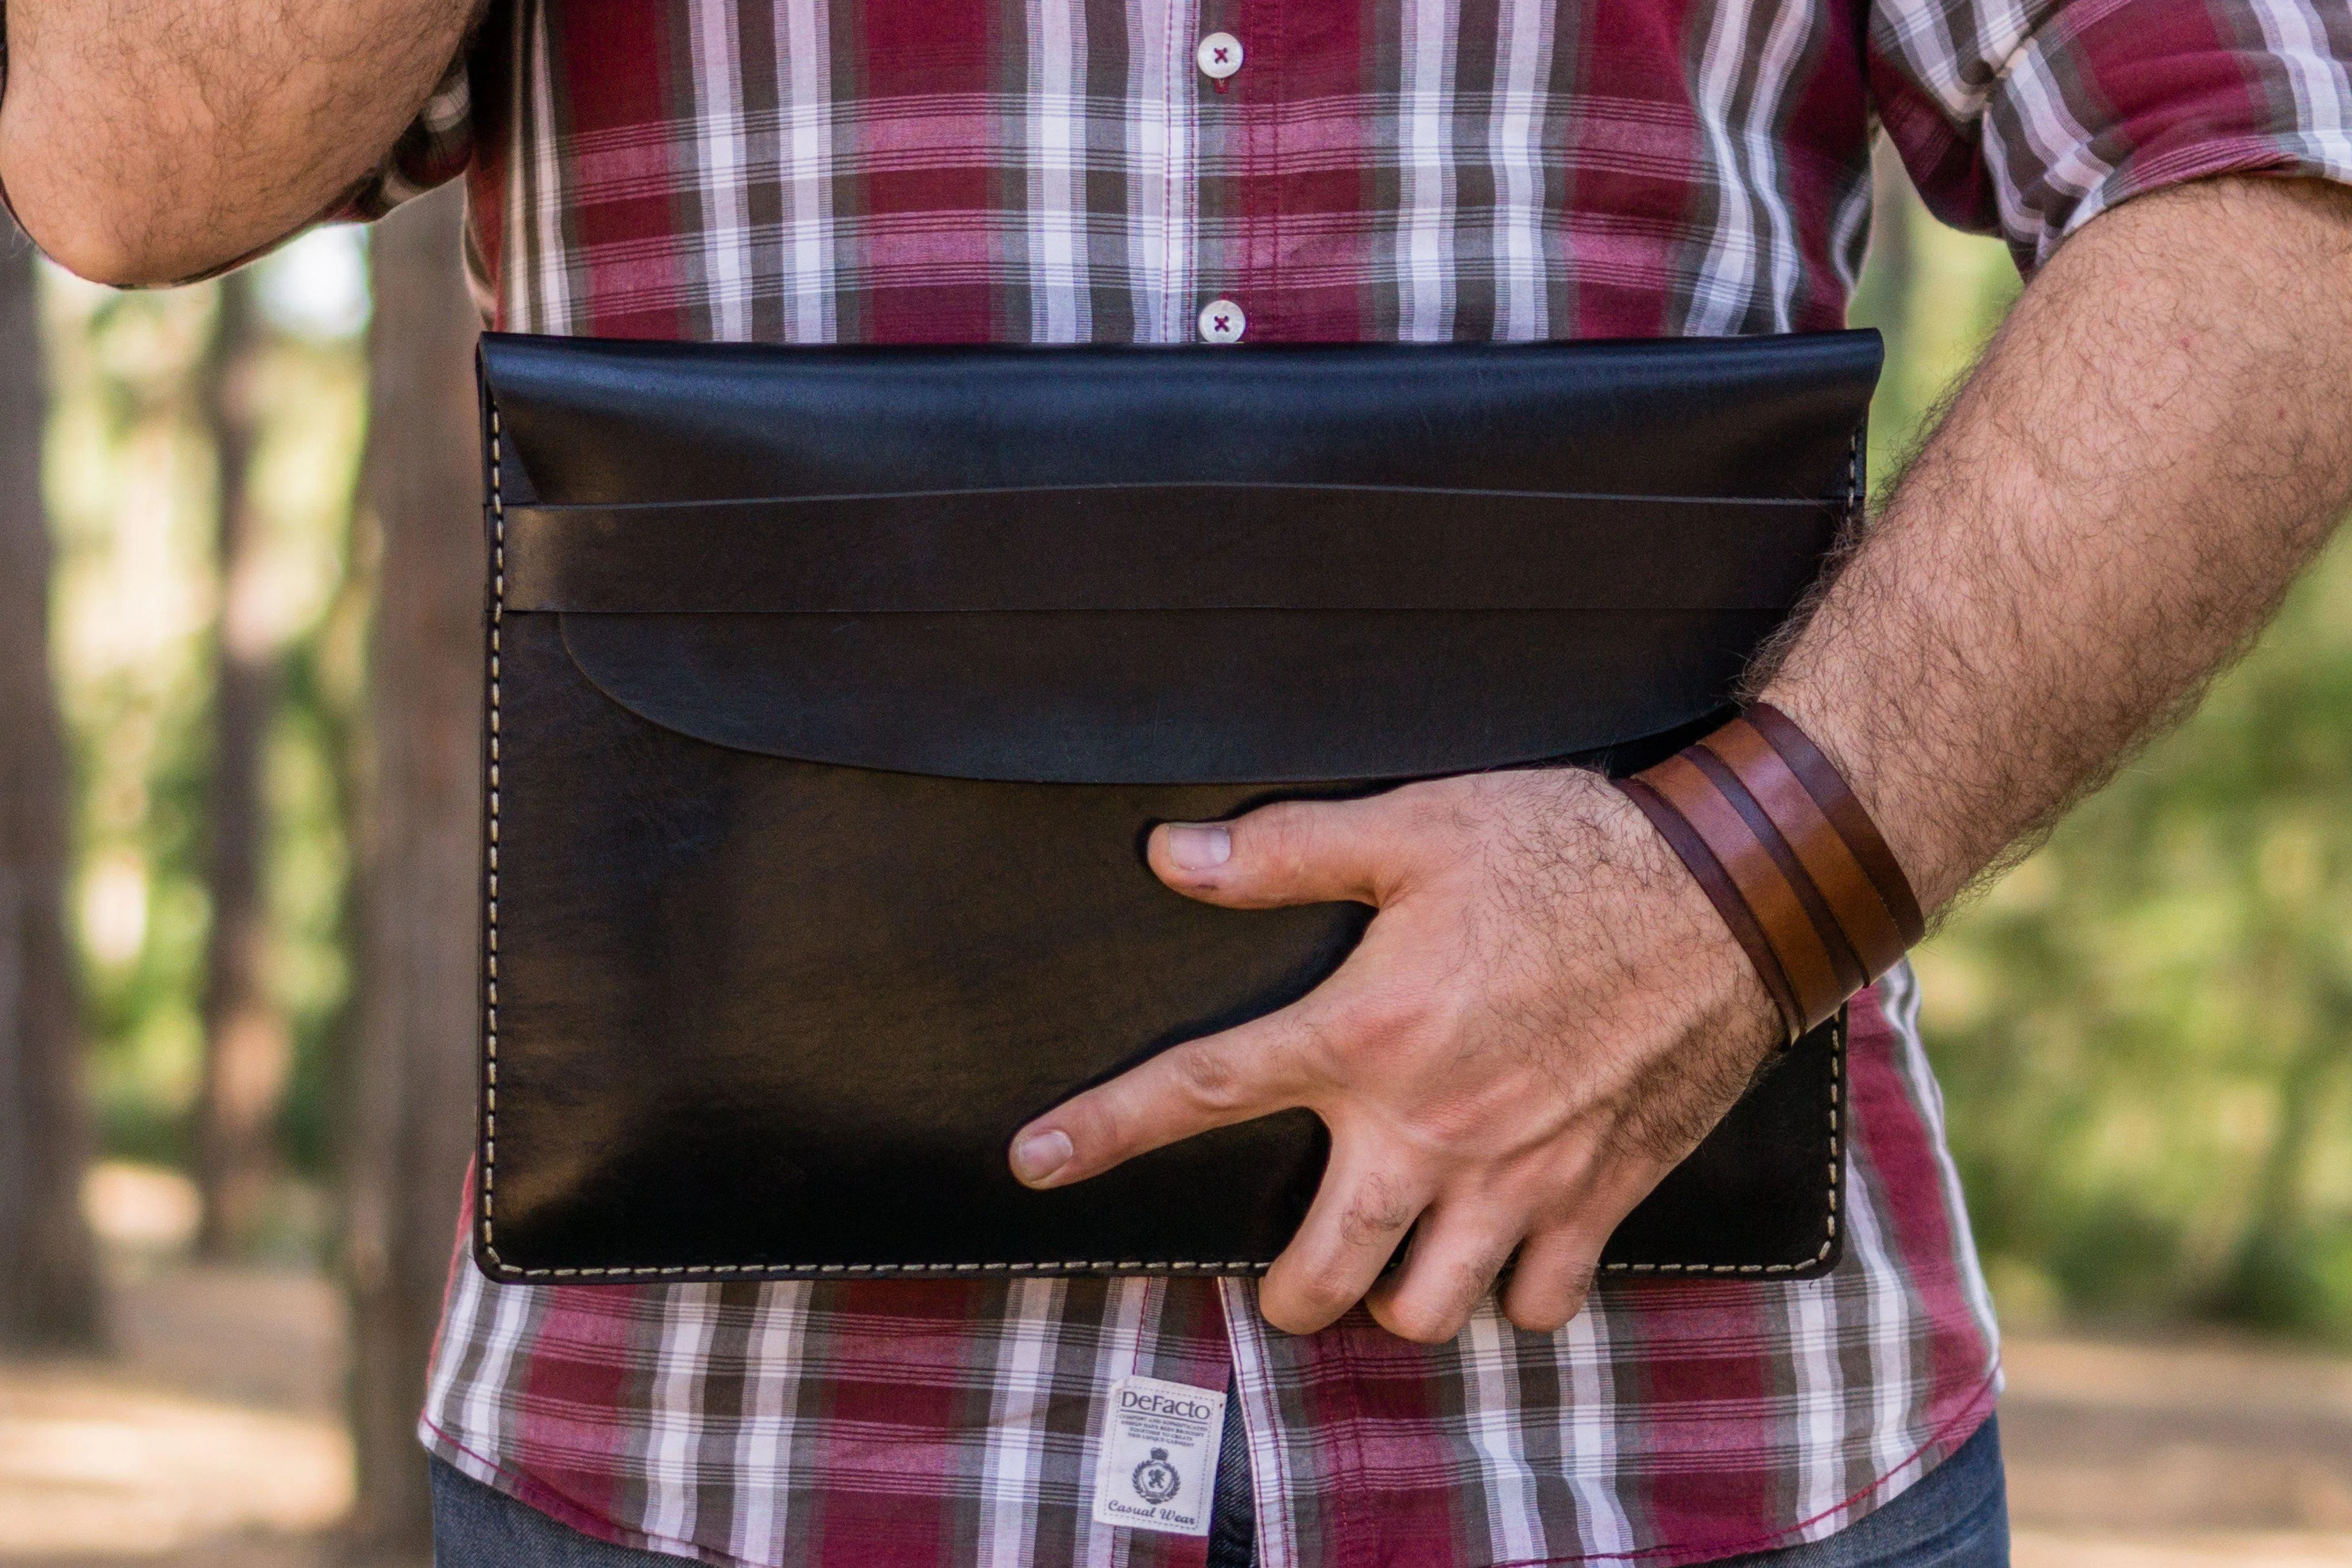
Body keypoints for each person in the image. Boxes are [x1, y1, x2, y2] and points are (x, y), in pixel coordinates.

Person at [7, 1, 2350, 1563]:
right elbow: (119, 163)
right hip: (702, 1464)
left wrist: (1735, 890)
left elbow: (2281, 176)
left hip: (1684, 1456)